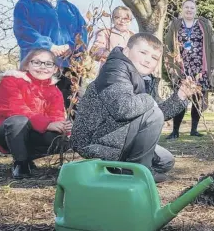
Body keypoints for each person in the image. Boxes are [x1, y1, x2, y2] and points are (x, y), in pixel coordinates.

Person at [71, 33, 196, 183]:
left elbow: (156, 114)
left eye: (154, 58)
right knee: (152, 115)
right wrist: (149, 100)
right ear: (126, 51)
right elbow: (123, 108)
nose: (148, 60)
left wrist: (180, 96)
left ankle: (120, 169)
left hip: (115, 136)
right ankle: (135, 173)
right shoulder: (114, 70)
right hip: (95, 141)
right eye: (143, 52)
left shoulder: (143, 78)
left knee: (165, 161)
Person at [0, 50, 70, 179]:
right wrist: (47, 124)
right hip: (8, 130)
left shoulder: (55, 91)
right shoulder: (11, 81)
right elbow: (16, 109)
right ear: (27, 65)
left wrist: (62, 127)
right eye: (37, 62)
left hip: (34, 131)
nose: (43, 67)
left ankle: (26, 157)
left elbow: (56, 115)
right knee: (19, 121)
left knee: (61, 140)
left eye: (48, 64)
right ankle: (20, 163)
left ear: (55, 69)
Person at [13, 0, 88, 109]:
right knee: (41, 109)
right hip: (39, 64)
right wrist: (50, 47)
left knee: (76, 109)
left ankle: (76, 132)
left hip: (69, 64)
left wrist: (71, 46)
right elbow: (22, 29)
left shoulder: (69, 7)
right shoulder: (25, 4)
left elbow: (82, 30)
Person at [164, 0, 214, 139]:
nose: (189, 10)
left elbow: (212, 46)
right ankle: (175, 131)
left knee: (198, 99)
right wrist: (170, 66)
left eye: (192, 8)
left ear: (196, 10)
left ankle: (194, 129)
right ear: (182, 9)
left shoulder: (204, 25)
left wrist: (213, 66)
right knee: (180, 97)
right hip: (182, 68)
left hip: (200, 68)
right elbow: (168, 45)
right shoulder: (175, 25)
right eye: (186, 7)